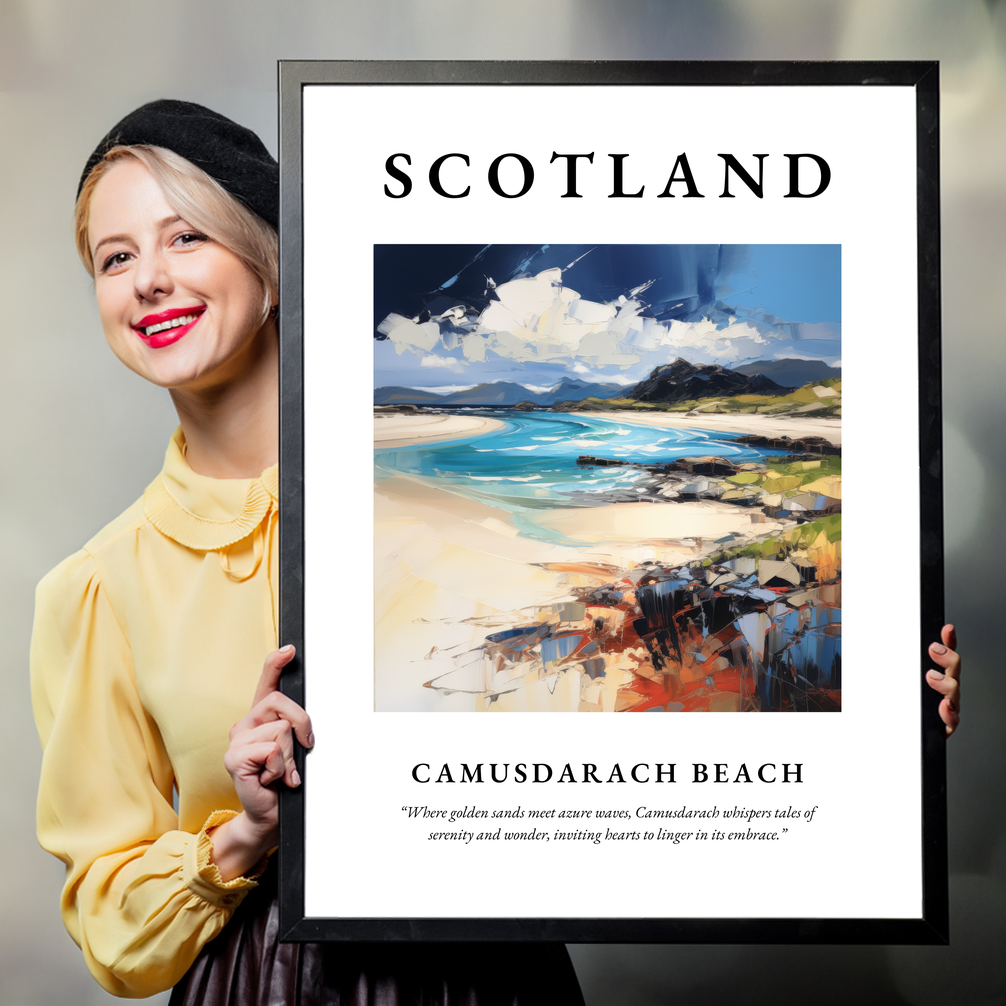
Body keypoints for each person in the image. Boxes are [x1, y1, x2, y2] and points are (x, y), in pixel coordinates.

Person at [30, 100, 585, 1004]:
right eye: (116, 257)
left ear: (273, 265)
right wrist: (245, 832)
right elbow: (110, 924)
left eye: (186, 239)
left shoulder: (455, 501)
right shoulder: (97, 586)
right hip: (262, 982)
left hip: (492, 973)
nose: (148, 281)